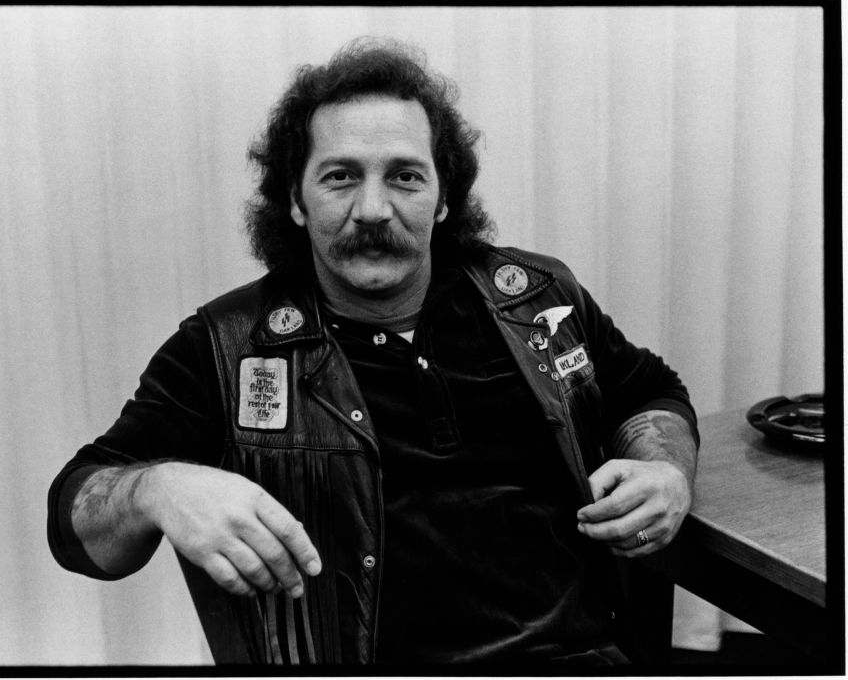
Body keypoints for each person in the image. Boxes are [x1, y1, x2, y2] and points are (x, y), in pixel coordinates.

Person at [47, 38, 699, 667]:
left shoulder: (537, 299)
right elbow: (76, 526)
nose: (373, 208)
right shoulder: (226, 348)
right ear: (296, 201)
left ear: (444, 197)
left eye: (406, 176)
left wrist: (664, 468)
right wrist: (154, 488)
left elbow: (649, 391)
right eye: (339, 177)